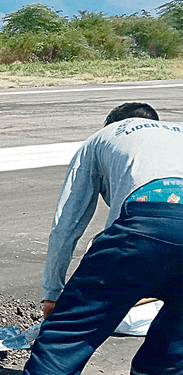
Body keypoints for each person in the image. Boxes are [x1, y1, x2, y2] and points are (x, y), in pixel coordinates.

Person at [23, 102, 183, 374]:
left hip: (144, 221)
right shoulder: (177, 132)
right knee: (171, 351)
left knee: (64, 339)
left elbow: (66, 225)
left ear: (112, 124)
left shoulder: (101, 139)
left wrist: (52, 295)